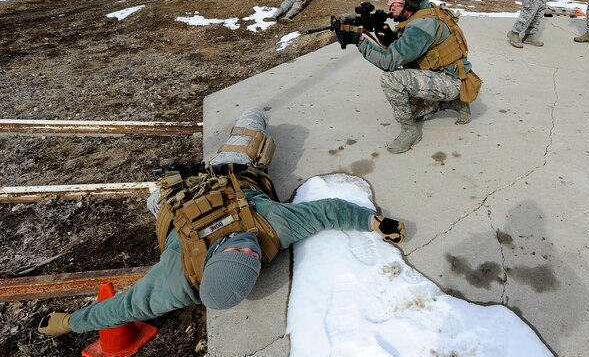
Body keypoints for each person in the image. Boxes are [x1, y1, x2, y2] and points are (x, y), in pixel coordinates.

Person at [37, 107, 406, 336]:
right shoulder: (271, 225)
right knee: (251, 121)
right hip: (235, 172)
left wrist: (69, 322)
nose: (250, 241)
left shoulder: (175, 279)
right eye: (253, 251)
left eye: (242, 247)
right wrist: (374, 221)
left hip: (175, 196)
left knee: (153, 196)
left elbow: (122, 307)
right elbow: (328, 212)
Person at [336, 0, 481, 154]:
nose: (389, 3)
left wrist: (358, 40)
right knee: (412, 104)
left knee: (391, 79)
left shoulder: (423, 25)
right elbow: (404, 48)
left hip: (451, 81)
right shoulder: (423, 13)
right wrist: (387, 36)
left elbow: (388, 61)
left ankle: (410, 131)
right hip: (446, 75)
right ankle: (454, 103)